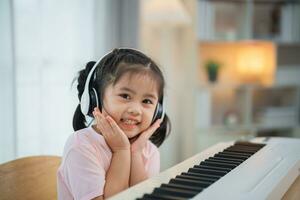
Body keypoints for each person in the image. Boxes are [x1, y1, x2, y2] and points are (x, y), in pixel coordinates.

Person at [57, 48, 171, 200]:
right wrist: (121, 151)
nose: (136, 110)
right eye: (125, 96)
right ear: (94, 99)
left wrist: (135, 153)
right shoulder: (81, 146)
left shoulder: (148, 150)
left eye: (147, 101)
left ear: (158, 110)